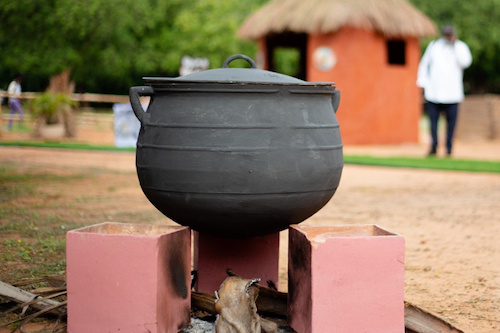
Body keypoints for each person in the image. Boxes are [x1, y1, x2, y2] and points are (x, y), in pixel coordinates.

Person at [417, 25, 472, 156]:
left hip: (453, 94)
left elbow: (466, 62)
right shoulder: (434, 46)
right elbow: (424, 65)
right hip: (434, 93)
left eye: (450, 34)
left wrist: (454, 46)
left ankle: (448, 148)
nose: (447, 36)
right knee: (433, 123)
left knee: (451, 124)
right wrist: (422, 84)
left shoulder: (460, 47)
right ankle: (433, 146)